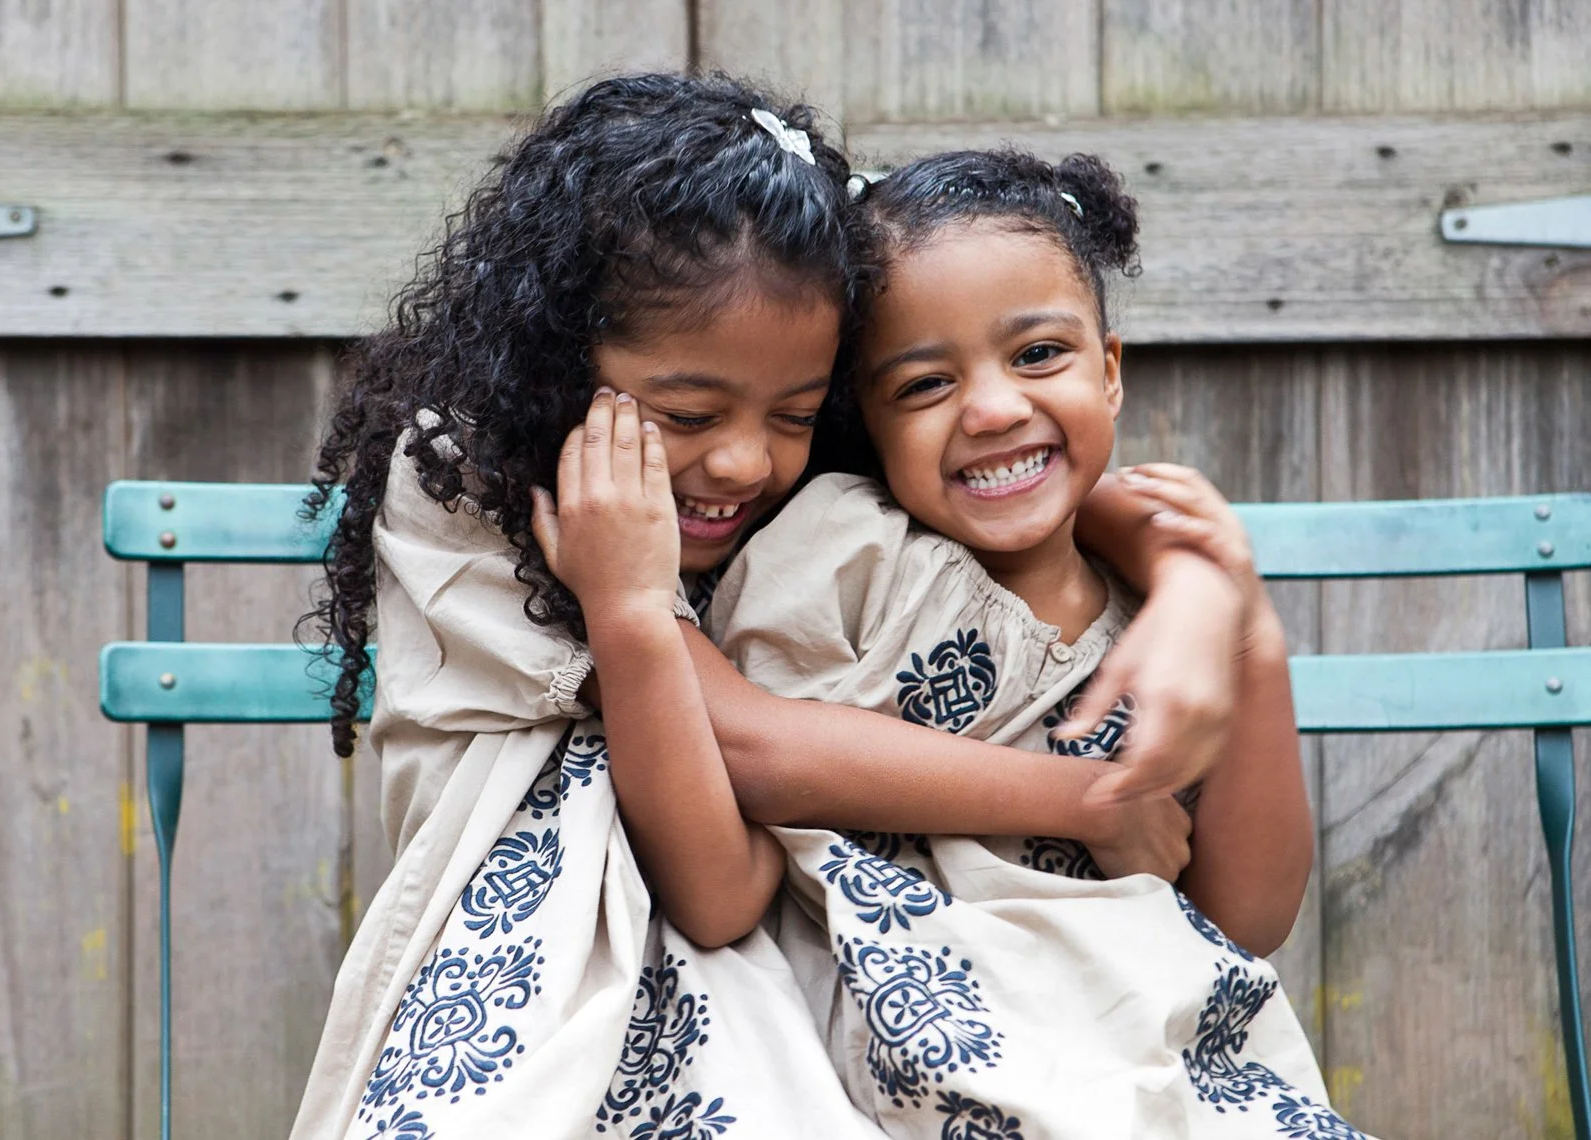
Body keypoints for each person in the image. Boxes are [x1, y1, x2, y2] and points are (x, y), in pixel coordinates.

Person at [295, 73, 1255, 1139]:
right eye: (687, 410)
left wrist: (1199, 575)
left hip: (798, 972)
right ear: (557, 369)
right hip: (543, 983)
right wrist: (1085, 800)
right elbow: (727, 839)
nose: (746, 458)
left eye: (797, 412)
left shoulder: (806, 502)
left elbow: (1040, 503)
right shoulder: (477, 482)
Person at [541, 147, 1371, 1137]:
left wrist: (1247, 634)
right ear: (865, 423)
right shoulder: (844, 554)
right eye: (926, 383)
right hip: (904, 1058)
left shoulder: (1160, 620)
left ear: (1109, 373)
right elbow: (752, 763)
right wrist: (1094, 799)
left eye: (1037, 356)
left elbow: (1244, 919)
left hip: (1136, 1052)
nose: (991, 407)